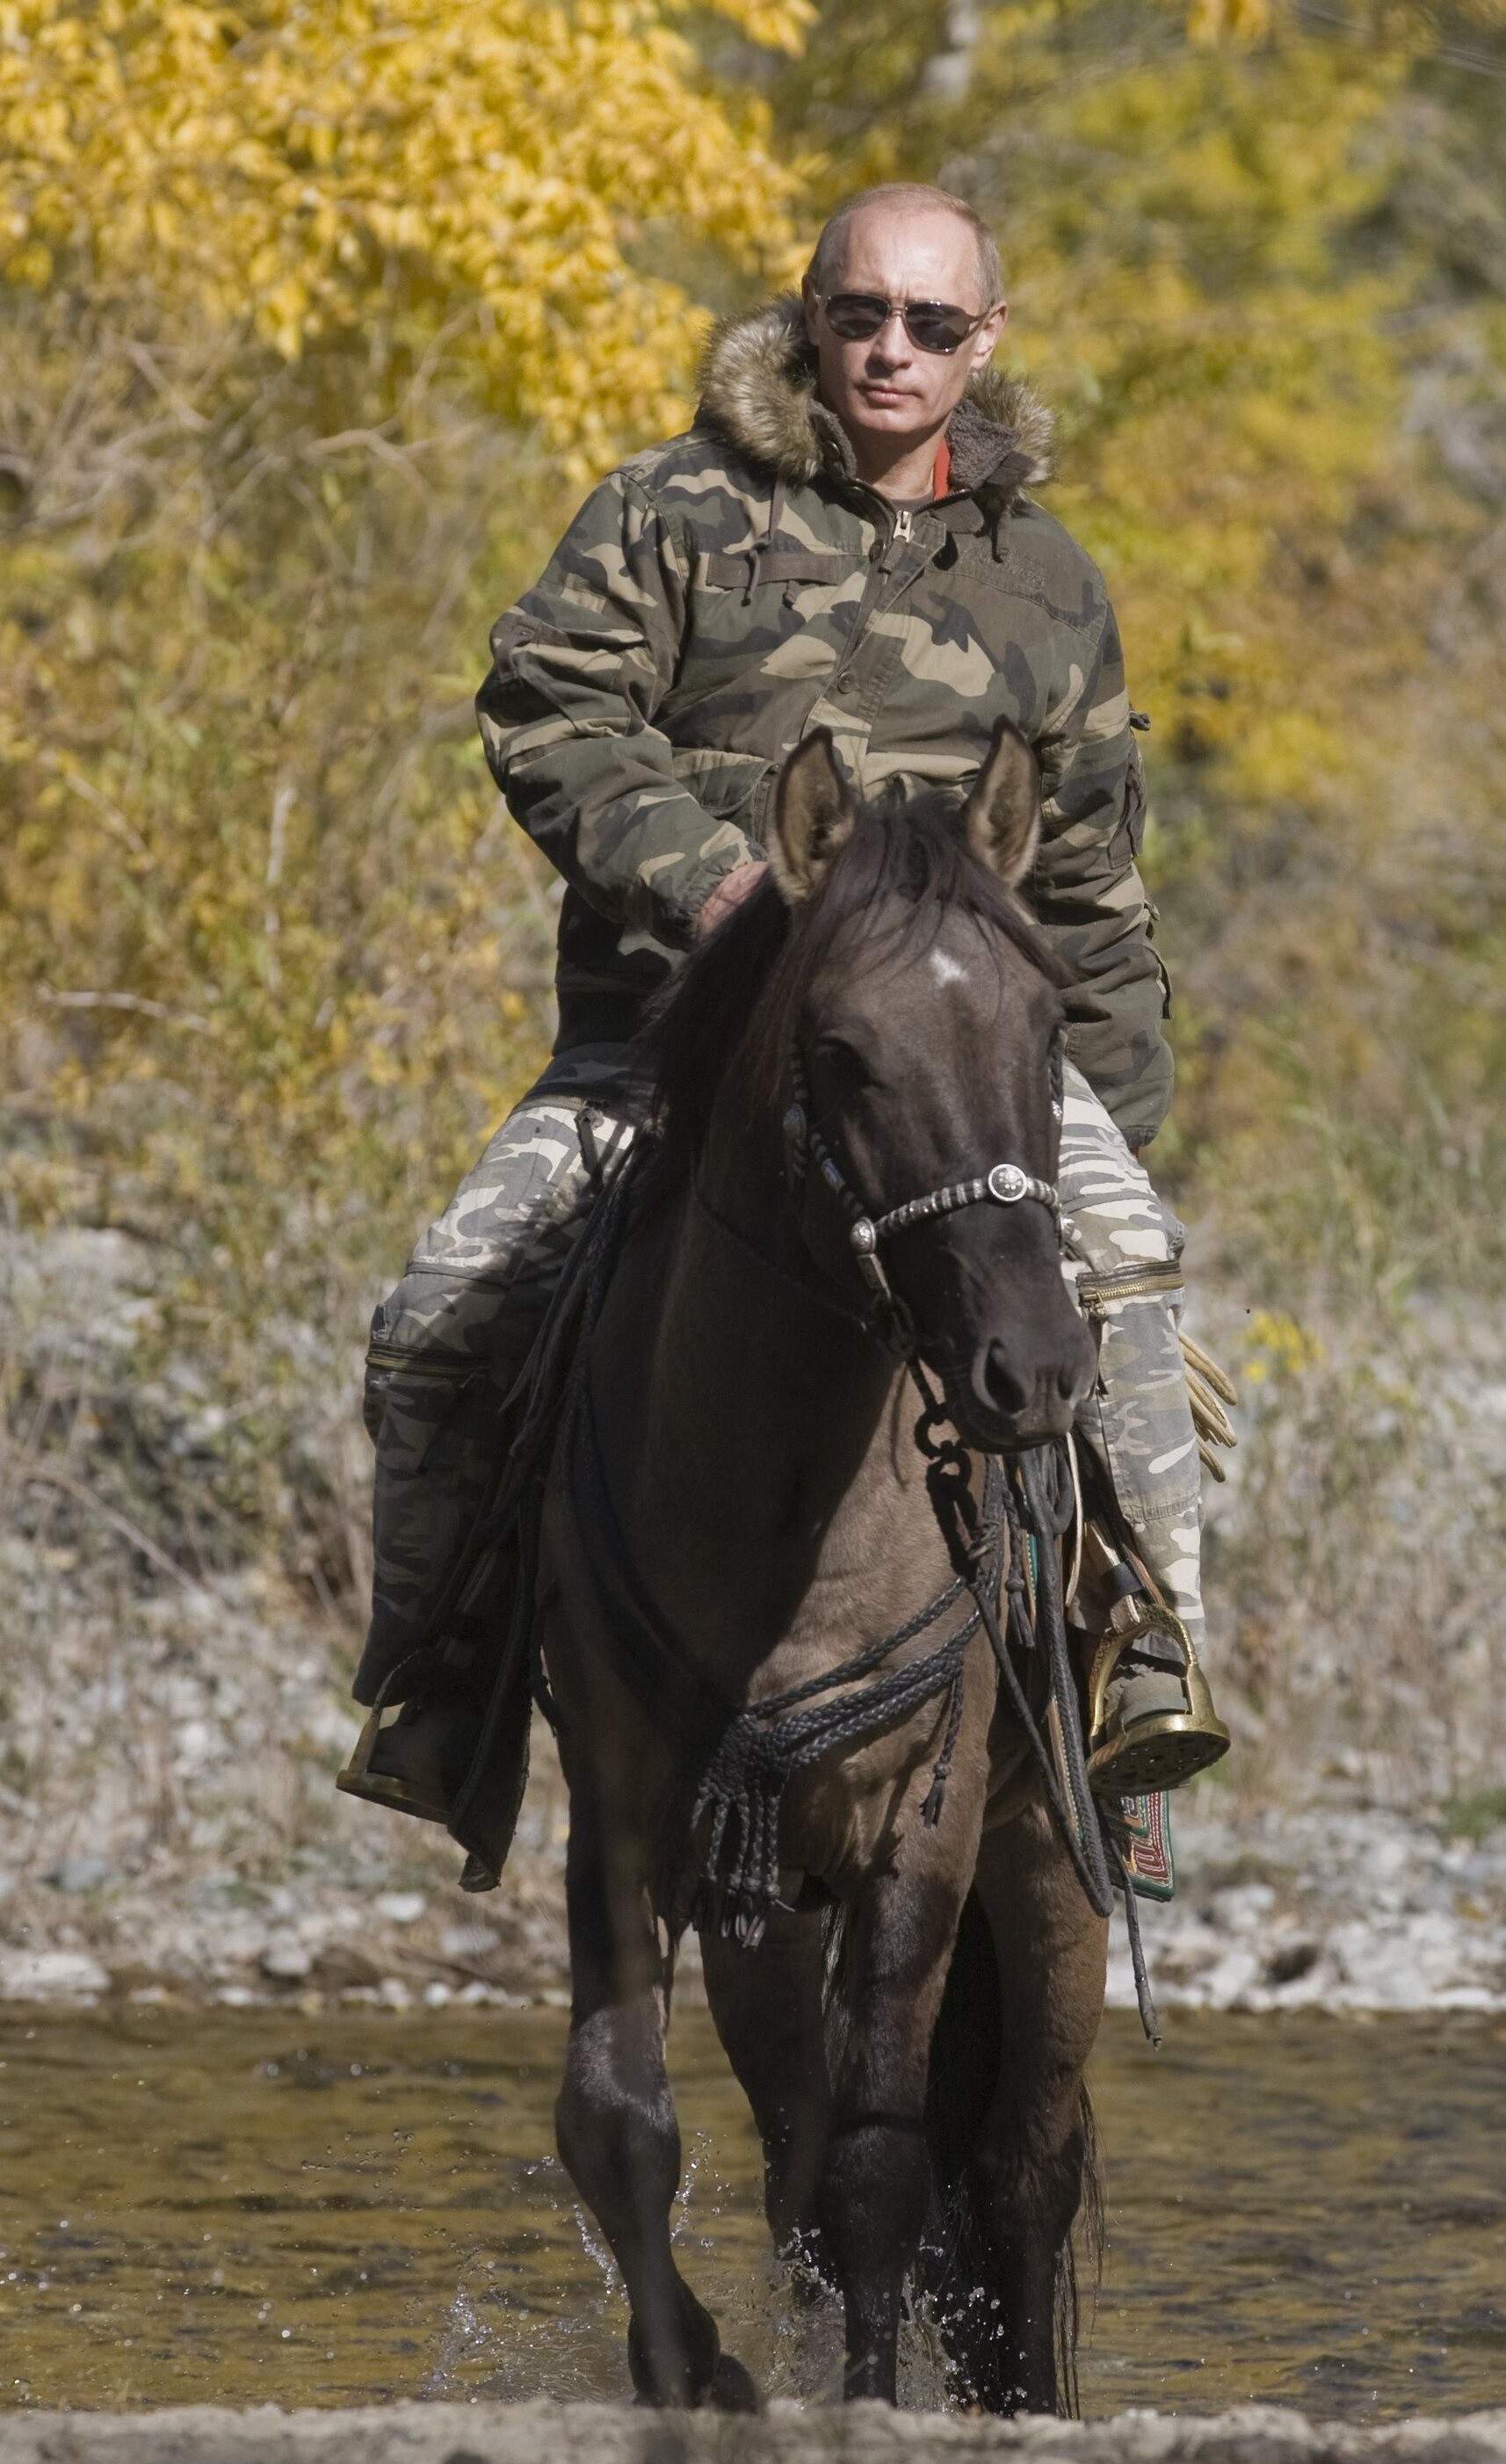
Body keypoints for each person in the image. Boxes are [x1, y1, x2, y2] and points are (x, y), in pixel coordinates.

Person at [340, 182, 1216, 1840]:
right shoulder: (668, 510)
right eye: (858, 313)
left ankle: (1137, 1675)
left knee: (1133, 1300)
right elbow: (547, 711)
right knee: (439, 1315)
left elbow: (1090, 881)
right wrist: (719, 891)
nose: (890, 349)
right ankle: (444, 1686)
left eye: (931, 324)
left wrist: (1106, 1125)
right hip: (661, 1049)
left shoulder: (1048, 580)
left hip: (964, 1081)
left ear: (985, 343)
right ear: (807, 314)